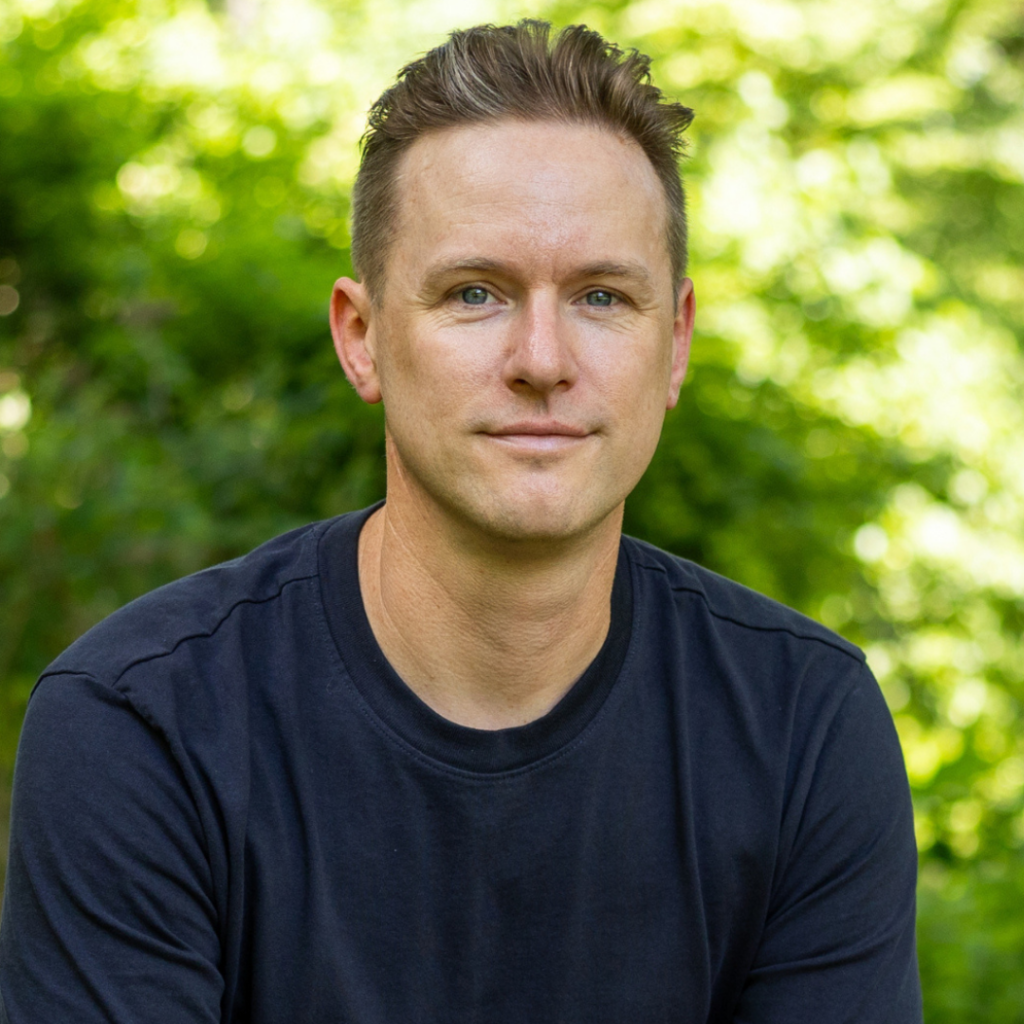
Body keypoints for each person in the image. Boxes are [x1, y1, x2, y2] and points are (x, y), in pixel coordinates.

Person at [0, 20, 921, 1024]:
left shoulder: (801, 727)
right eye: (475, 293)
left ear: (676, 342)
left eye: (602, 297)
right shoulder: (144, 725)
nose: (541, 359)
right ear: (362, 338)